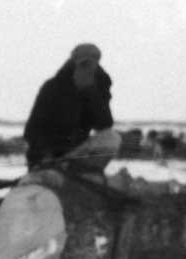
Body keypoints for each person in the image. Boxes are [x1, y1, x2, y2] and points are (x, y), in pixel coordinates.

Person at [23, 42, 120, 173]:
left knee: (112, 138)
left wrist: (90, 92)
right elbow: (31, 131)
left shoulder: (99, 85)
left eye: (92, 65)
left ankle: (83, 173)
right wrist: (45, 156)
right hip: (46, 158)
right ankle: (54, 171)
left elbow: (105, 124)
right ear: (74, 64)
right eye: (83, 64)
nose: (87, 69)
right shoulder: (52, 87)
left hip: (74, 154)